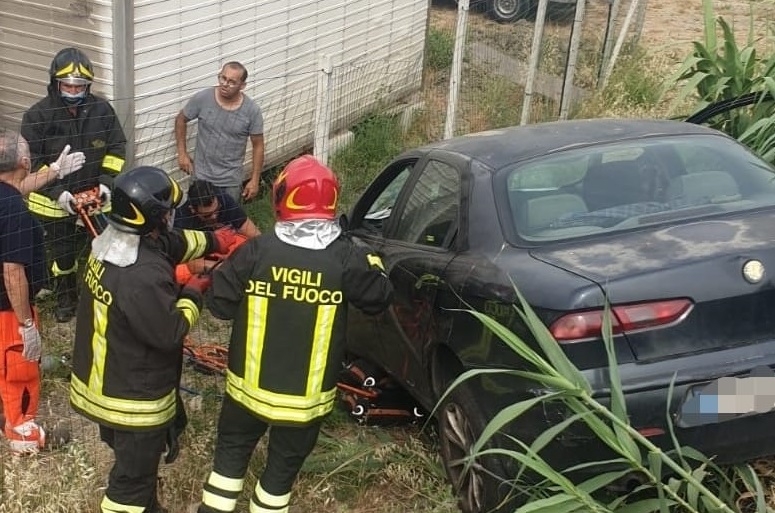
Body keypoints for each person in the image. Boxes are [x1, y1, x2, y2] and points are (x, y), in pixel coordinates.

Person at [196, 155, 394, 513]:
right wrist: (373, 261)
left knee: (227, 466)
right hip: (305, 404)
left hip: (246, 394)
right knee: (278, 478)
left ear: (281, 199)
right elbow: (379, 298)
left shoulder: (256, 252)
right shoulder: (348, 259)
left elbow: (220, 305)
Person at [69, 166, 238, 513]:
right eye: (168, 212)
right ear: (155, 218)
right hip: (132, 403)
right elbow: (170, 332)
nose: (172, 218)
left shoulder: (108, 243)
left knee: (138, 472)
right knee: (130, 484)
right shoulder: (143, 275)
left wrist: (216, 240)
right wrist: (193, 292)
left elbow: (172, 243)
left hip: (103, 381)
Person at [21, 47, 127, 323]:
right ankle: (66, 294)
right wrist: (57, 192)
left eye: (79, 85)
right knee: (62, 253)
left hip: (95, 195)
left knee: (107, 245)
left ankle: (108, 291)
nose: (73, 89)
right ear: (56, 83)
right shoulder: (38, 116)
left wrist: (106, 183)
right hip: (52, 201)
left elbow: (116, 147)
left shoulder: (101, 110)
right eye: (67, 84)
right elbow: (31, 162)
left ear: (88, 85)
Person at [0, 128, 85, 454]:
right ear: (24, 160)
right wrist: (26, 324)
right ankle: (23, 434)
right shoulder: (14, 211)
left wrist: (54, 172)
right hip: (8, 309)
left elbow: (17, 186)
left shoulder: (5, 195)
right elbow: (13, 271)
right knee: (19, 368)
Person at [175, 61, 265, 204]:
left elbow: (258, 145)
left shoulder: (251, 111)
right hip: (200, 177)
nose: (224, 84)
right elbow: (181, 120)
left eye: (231, 82)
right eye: (222, 78)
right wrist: (182, 154)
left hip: (230, 182)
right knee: (197, 221)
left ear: (242, 86)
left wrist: (254, 180)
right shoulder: (203, 98)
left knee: (228, 223)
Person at [173, 179, 261, 279]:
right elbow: (193, 265)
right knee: (180, 272)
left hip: (222, 249)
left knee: (251, 247)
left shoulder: (224, 200)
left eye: (217, 210)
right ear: (193, 210)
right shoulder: (181, 220)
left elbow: (255, 234)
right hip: (196, 256)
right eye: (207, 215)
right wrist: (227, 269)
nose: (214, 216)